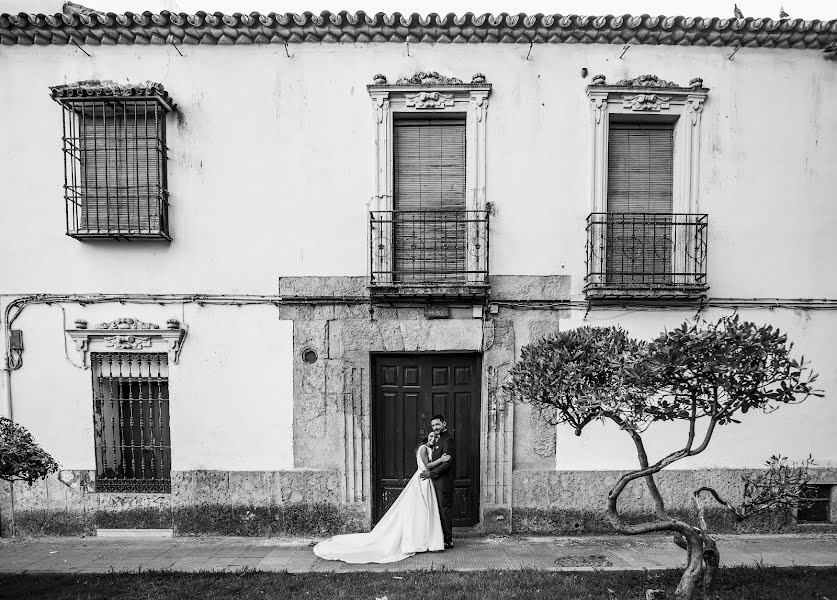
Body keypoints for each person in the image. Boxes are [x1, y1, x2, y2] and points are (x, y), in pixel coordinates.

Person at [312, 431, 449, 563]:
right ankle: (418, 541)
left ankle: (423, 540)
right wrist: (442, 460)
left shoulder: (430, 449)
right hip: (421, 480)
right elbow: (427, 465)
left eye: (435, 437)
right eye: (431, 436)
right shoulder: (424, 449)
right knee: (419, 510)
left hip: (425, 481)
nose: (433, 438)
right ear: (427, 437)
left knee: (422, 511)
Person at [420, 414, 455, 549]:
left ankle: (448, 540)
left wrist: (431, 474)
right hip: (434, 482)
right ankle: (437, 539)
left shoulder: (448, 440)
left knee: (444, 510)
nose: (435, 427)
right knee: (435, 511)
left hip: (443, 482)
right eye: (433, 425)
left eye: (438, 424)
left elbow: (448, 463)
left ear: (444, 424)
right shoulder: (436, 440)